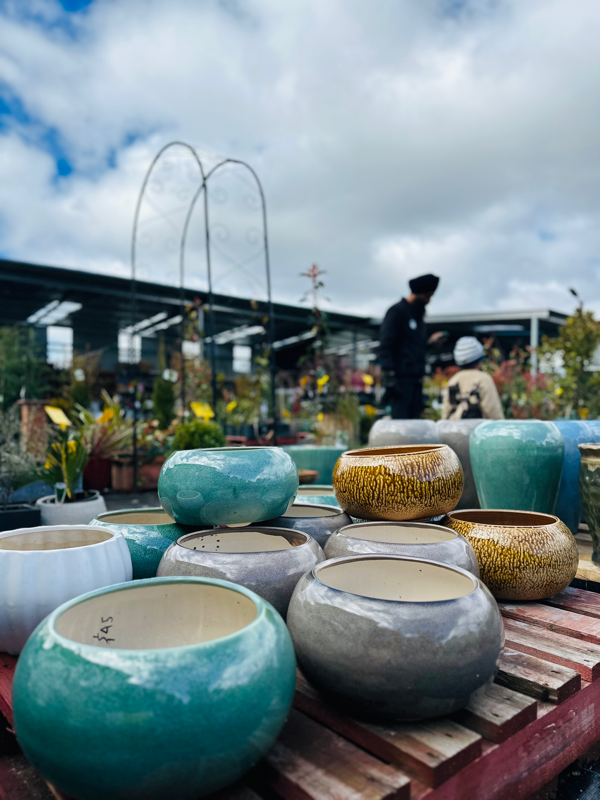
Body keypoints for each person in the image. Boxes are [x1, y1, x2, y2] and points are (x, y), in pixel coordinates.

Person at [379, 273, 440, 419]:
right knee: (401, 424)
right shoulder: (397, 312)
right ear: (417, 294)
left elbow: (414, 348)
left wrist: (430, 345)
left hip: (416, 381)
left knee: (415, 424)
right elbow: (386, 345)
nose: (428, 301)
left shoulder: (419, 319)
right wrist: (390, 376)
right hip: (400, 382)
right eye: (427, 297)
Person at [441, 336, 504, 420]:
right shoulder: (484, 379)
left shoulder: (453, 381)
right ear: (480, 360)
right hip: (478, 431)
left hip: (456, 431)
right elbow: (493, 412)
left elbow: (445, 415)